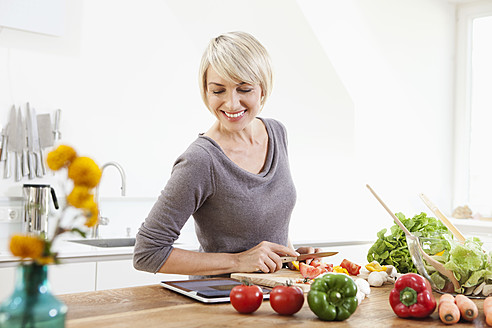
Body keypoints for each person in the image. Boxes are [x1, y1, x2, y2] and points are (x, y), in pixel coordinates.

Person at [133, 31, 319, 278]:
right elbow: (147, 252)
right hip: (220, 301)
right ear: (205, 91)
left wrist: (291, 257)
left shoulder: (276, 133)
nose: (231, 104)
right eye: (218, 91)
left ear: (262, 89)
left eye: (244, 89)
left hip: (273, 298)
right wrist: (238, 261)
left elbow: (267, 227)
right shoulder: (201, 160)